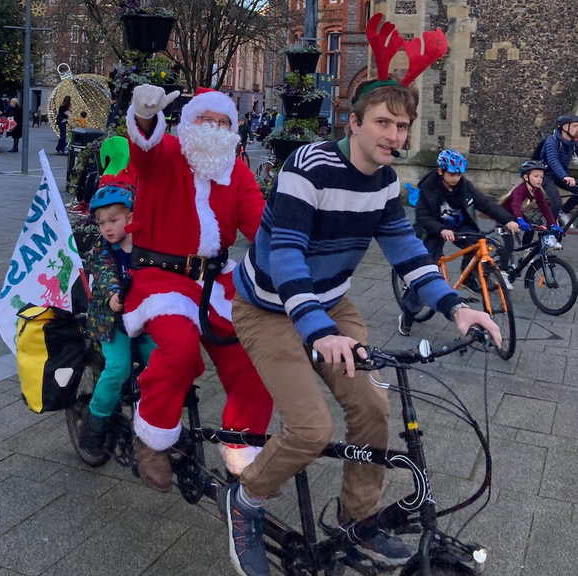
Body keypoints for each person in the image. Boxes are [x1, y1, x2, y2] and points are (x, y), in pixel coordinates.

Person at [221, 15, 505, 575]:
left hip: (330, 304)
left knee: (374, 408)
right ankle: (246, 501)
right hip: (269, 307)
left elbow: (407, 253)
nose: (395, 136)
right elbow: (286, 256)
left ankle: (358, 520)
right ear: (353, 124)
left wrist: (457, 306)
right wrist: (318, 331)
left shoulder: (385, 185)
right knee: (310, 428)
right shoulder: (310, 167)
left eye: (403, 126)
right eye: (383, 122)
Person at [122, 84, 274, 492]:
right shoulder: (167, 153)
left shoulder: (236, 171)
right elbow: (144, 148)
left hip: (217, 280)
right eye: (205, 121)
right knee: (180, 348)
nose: (214, 129)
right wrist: (144, 116)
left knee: (256, 352)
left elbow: (260, 226)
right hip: (162, 278)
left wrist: (293, 261)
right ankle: (152, 436)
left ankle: (242, 446)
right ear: (188, 124)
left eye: (223, 123)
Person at [399, 149, 520, 335]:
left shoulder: (464, 186)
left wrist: (508, 219)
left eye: (459, 174)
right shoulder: (428, 188)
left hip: (460, 226)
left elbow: (486, 204)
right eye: (452, 174)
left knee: (480, 244)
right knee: (425, 274)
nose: (456, 178)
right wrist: (441, 230)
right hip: (433, 230)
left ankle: (468, 278)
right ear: (441, 171)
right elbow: (423, 216)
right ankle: (408, 315)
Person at [77, 181, 156, 465]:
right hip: (112, 322)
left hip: (144, 320)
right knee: (118, 368)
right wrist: (113, 294)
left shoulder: (145, 245)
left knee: (162, 362)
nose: (107, 228)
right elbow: (105, 271)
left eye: (114, 220)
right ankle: (93, 423)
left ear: (131, 218)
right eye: (101, 223)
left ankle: (153, 420)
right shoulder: (102, 250)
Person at [499, 160, 564, 268]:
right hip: (504, 215)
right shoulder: (520, 190)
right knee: (509, 244)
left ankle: (524, 250)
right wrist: (520, 219)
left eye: (541, 177)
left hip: (516, 215)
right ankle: (502, 270)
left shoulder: (537, 191)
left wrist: (553, 224)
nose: (539, 179)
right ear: (526, 177)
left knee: (531, 228)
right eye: (536, 176)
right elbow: (515, 205)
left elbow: (544, 208)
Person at [539, 114, 578, 225]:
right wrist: (564, 176)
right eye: (575, 126)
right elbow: (553, 160)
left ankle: (563, 212)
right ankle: (549, 231)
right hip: (545, 174)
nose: (577, 129)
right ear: (565, 127)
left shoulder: (573, 143)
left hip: (559, 175)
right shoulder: (552, 140)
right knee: (556, 201)